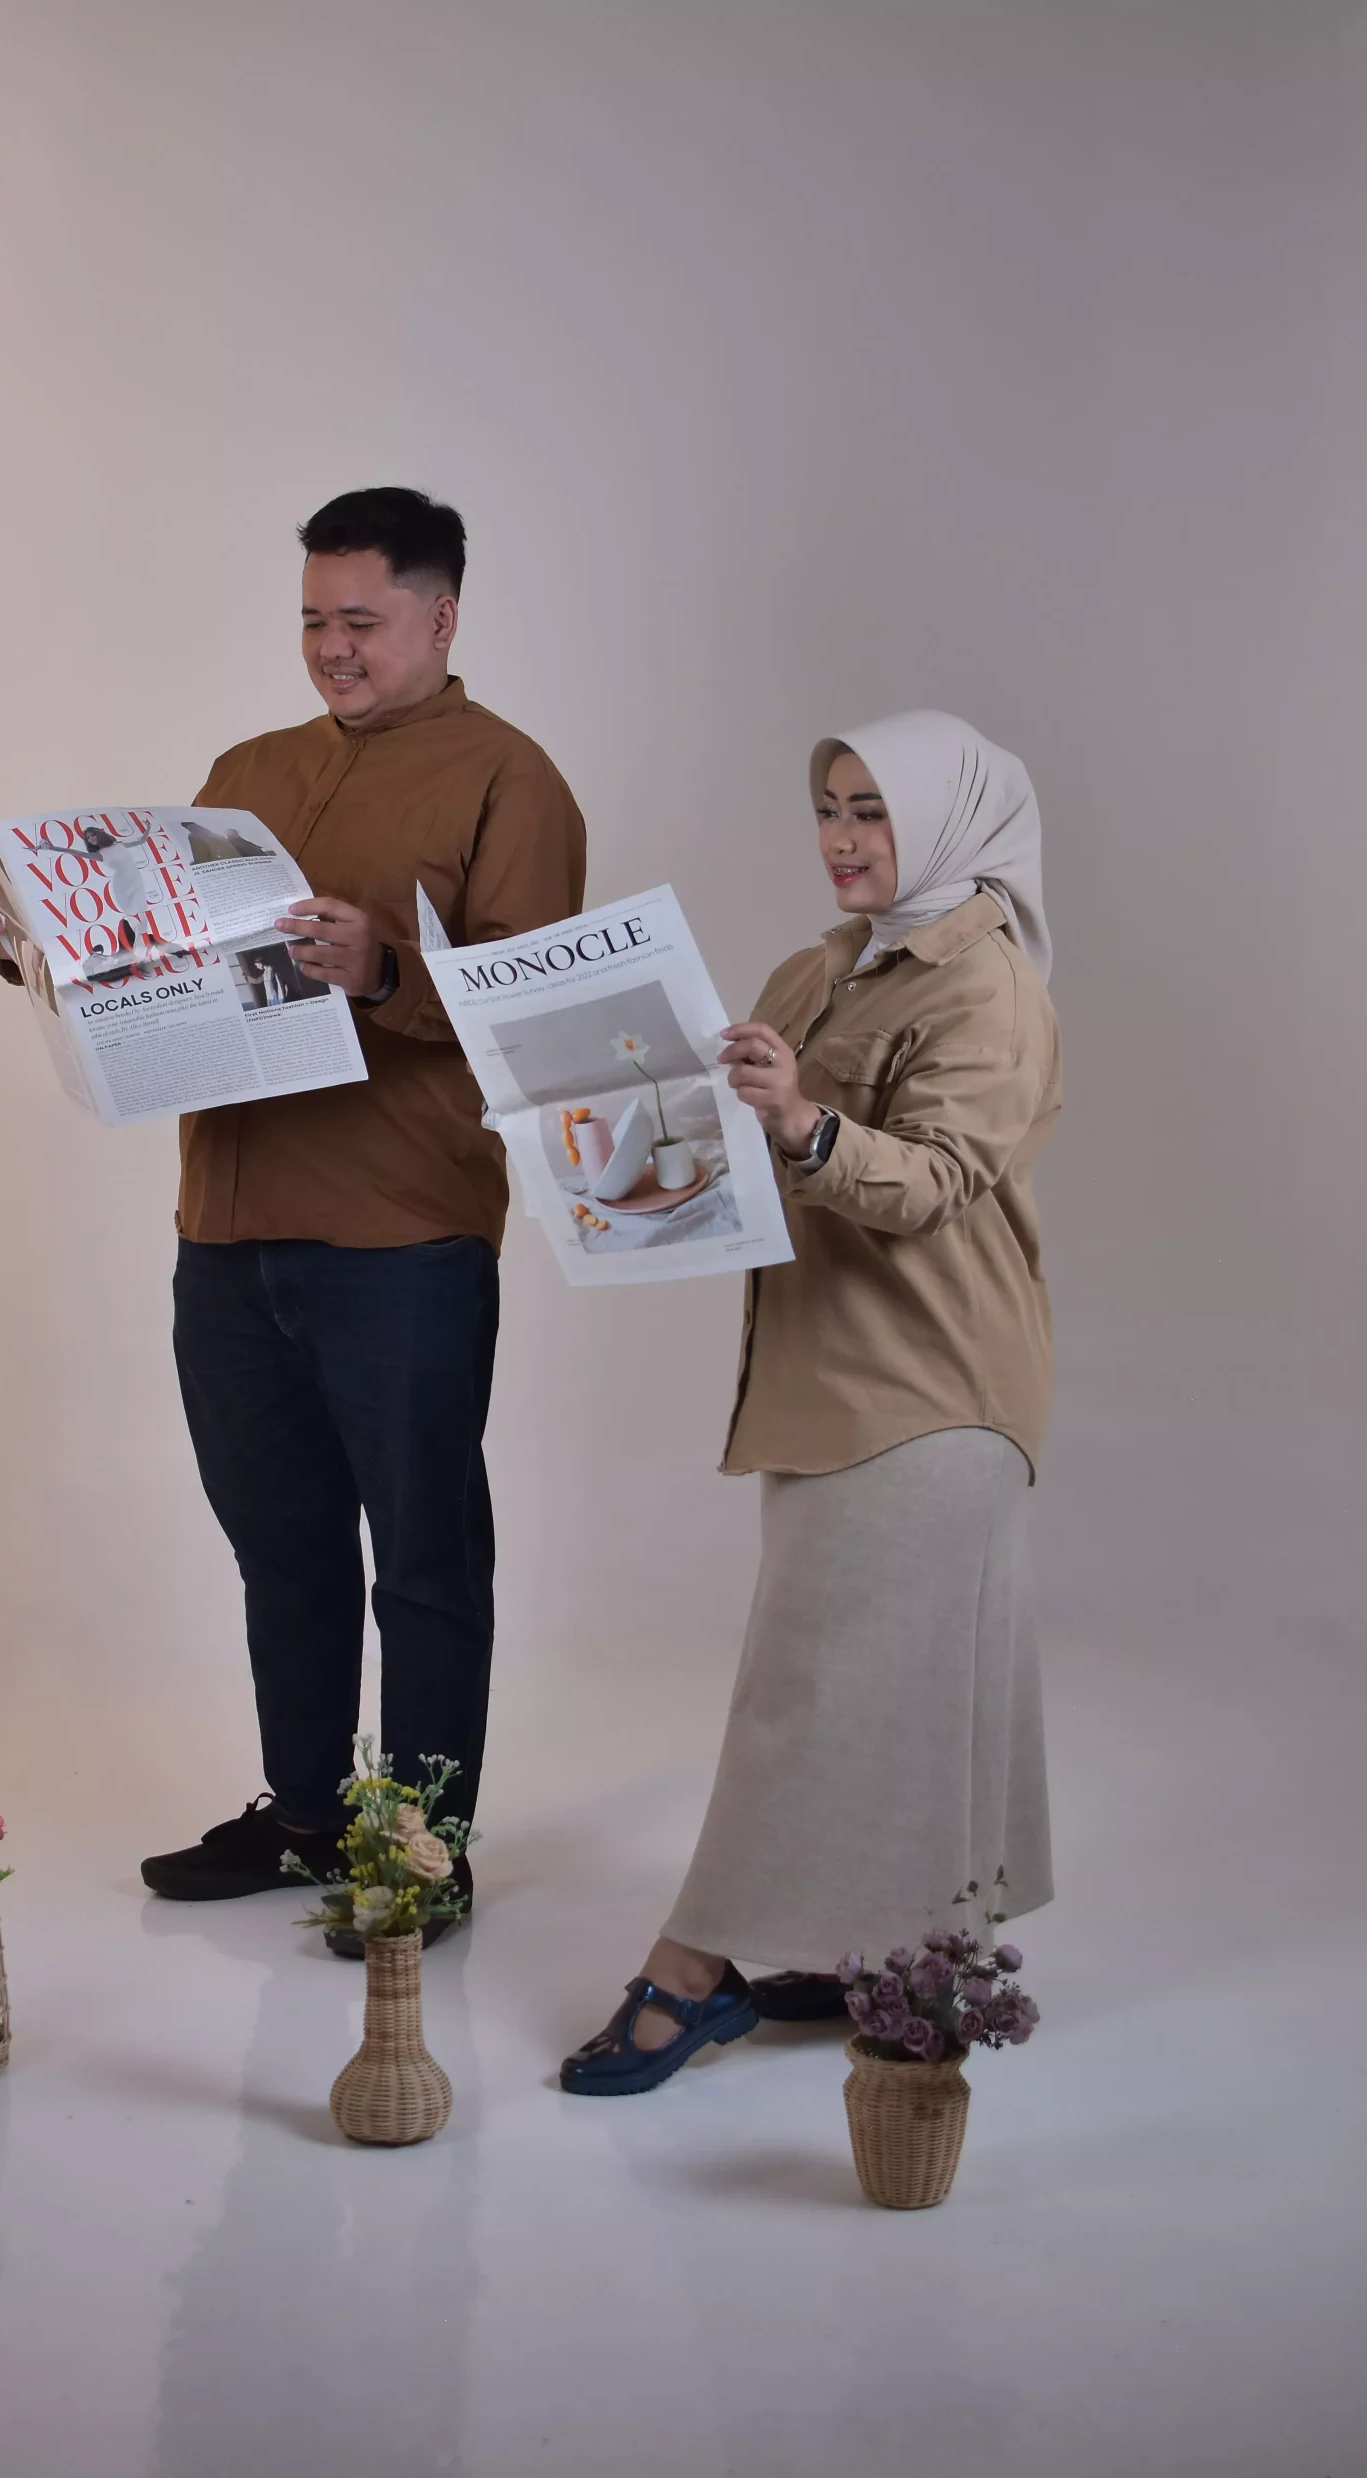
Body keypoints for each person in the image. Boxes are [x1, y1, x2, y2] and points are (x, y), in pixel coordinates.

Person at [0, 488, 586, 1928]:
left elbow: (547, 1020)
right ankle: (305, 1816)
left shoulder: (511, 781)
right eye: (312, 620)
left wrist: (383, 969)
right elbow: (161, 975)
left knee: (423, 1560)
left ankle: (419, 1853)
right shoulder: (245, 772)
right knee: (281, 1546)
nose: (332, 648)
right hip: (226, 1230)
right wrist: (24, 942)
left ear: (443, 616)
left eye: (362, 619)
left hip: (403, 1238)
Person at [561, 710, 1059, 2093]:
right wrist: (589, 1118)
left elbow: (936, 1181)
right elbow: (733, 1143)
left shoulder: (988, 986)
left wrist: (800, 1122)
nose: (842, 837)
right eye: (831, 807)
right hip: (829, 1374)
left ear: (949, 822)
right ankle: (884, 1955)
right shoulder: (821, 967)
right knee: (887, 1689)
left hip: (931, 1384)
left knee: (807, 1691)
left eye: (873, 811)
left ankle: (692, 1972)